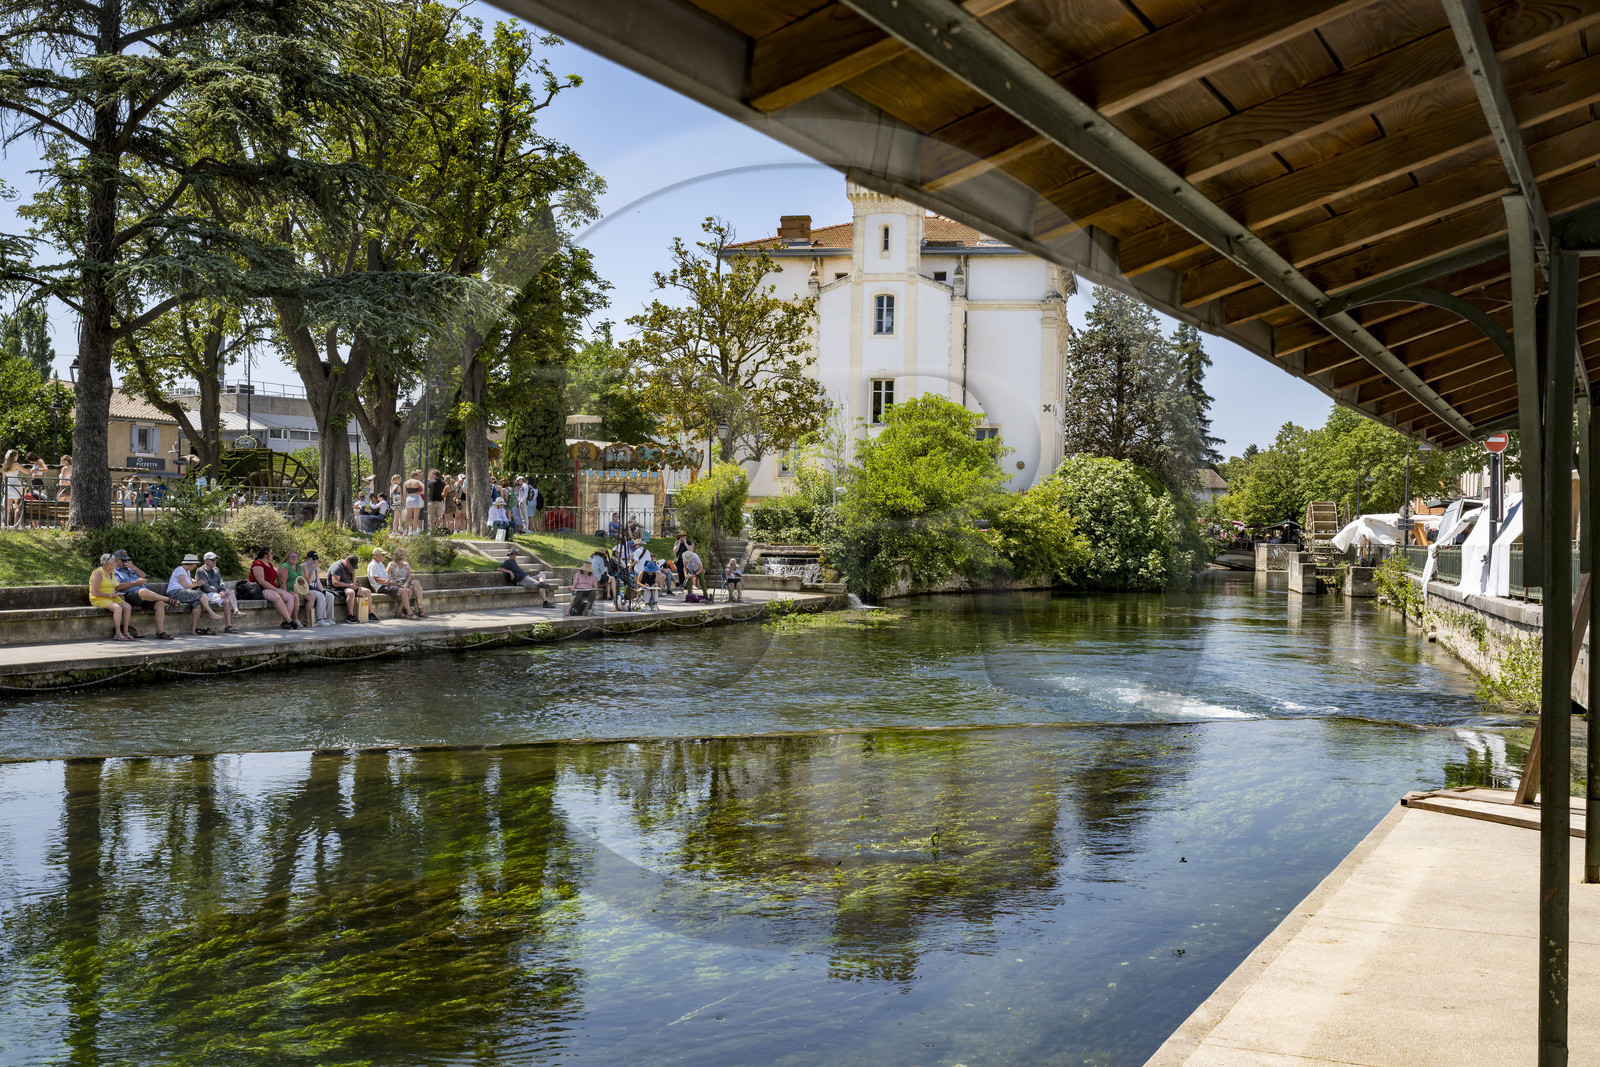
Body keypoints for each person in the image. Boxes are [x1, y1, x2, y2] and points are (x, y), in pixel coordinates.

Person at [111, 549, 180, 638]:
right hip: (129, 595)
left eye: (127, 560)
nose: (126, 562)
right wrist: (136, 583)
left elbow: (143, 575)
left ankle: (160, 632)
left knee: (160, 603)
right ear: (115, 560)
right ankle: (167, 599)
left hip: (144, 595)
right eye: (123, 560)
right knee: (143, 592)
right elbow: (118, 586)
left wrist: (134, 567)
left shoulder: (130, 569)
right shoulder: (114, 571)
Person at [249, 547, 301, 629]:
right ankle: (289, 620)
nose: (273, 555)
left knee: (290, 597)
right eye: (271, 553)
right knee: (277, 597)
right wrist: (276, 590)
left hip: (272, 588)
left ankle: (285, 622)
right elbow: (261, 581)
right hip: (261, 589)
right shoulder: (257, 564)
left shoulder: (269, 564)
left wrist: (276, 589)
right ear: (266, 555)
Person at [167, 553, 219, 635]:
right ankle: (211, 613)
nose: (195, 566)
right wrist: (197, 583)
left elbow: (188, 580)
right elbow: (185, 585)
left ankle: (193, 629)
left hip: (184, 593)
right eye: (194, 564)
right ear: (190, 563)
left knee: (197, 603)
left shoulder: (187, 571)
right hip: (175, 592)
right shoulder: (179, 569)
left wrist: (194, 581)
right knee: (200, 594)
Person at [89, 553, 134, 641]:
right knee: (117, 608)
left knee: (127, 607)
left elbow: (114, 585)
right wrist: (109, 595)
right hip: (99, 598)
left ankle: (125, 632)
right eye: (114, 562)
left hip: (111, 596)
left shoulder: (112, 571)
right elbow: (94, 593)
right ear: (107, 565)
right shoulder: (98, 573)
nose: (116, 564)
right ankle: (117, 633)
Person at [366, 546, 417, 618]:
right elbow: (377, 580)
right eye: (383, 555)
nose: (384, 556)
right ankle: (410, 613)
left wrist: (393, 583)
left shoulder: (380, 564)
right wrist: (386, 581)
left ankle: (399, 612)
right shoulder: (373, 565)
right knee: (404, 591)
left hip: (386, 585)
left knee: (409, 591)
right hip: (380, 587)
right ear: (377, 555)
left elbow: (386, 577)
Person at [194, 551, 239, 633]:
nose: (215, 562)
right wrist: (219, 591)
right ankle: (228, 626)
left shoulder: (216, 569)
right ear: (206, 560)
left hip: (218, 592)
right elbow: (206, 587)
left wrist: (222, 590)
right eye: (212, 560)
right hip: (208, 594)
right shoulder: (200, 571)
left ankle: (236, 612)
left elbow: (221, 581)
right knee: (226, 601)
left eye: (216, 560)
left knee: (231, 592)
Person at [329, 552, 375, 622]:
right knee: (351, 592)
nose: (352, 568)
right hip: (337, 588)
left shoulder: (351, 567)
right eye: (352, 566)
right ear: (347, 562)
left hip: (348, 586)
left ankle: (370, 614)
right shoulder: (337, 567)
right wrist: (350, 586)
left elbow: (353, 582)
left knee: (367, 592)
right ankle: (350, 615)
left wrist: (353, 576)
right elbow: (335, 583)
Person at [388, 546, 429, 618]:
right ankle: (420, 611)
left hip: (405, 582)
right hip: (397, 584)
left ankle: (419, 605)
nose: (406, 556)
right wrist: (393, 582)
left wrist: (407, 581)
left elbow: (409, 576)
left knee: (416, 582)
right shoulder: (392, 564)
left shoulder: (406, 564)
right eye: (405, 555)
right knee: (419, 588)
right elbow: (386, 575)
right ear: (401, 556)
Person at [301, 550, 336, 626]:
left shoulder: (316, 567)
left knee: (330, 595)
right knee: (320, 596)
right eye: (313, 559)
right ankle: (319, 619)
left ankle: (328, 618)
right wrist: (313, 570)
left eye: (316, 559)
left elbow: (318, 581)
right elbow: (307, 582)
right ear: (308, 559)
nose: (315, 561)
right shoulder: (304, 566)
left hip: (315, 587)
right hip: (307, 588)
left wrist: (323, 590)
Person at [2, 449, 23, 528]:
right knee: (18, 507)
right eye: (17, 455)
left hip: (8, 487)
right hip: (15, 487)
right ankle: (18, 525)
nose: (17, 457)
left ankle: (6, 524)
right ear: (14, 456)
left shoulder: (5, 465)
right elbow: (26, 472)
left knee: (7, 508)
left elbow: (4, 478)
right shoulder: (16, 464)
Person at [404, 468, 425, 534]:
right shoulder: (418, 482)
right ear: (416, 476)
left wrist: (405, 501)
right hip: (416, 497)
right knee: (416, 516)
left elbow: (404, 493)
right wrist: (421, 493)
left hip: (408, 498)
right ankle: (415, 531)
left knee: (408, 517)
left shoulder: (406, 482)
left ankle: (406, 530)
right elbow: (424, 487)